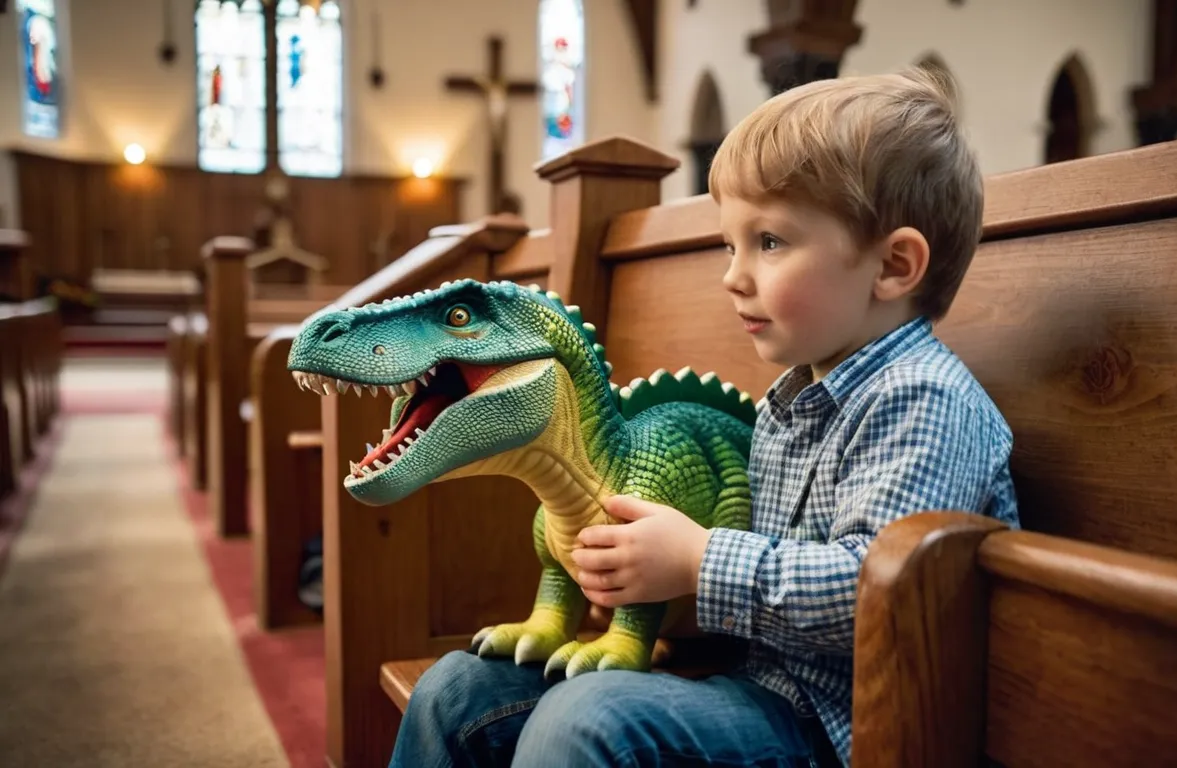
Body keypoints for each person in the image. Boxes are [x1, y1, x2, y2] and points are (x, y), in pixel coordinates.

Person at [388, 64, 1020, 768]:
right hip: (754, 685)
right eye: (729, 244)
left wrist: (695, 560)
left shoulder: (922, 399)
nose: (732, 275)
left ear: (893, 266)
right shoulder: (798, 394)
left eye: (769, 242)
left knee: (587, 720)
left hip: (847, 729)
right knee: (456, 689)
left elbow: (875, 595)